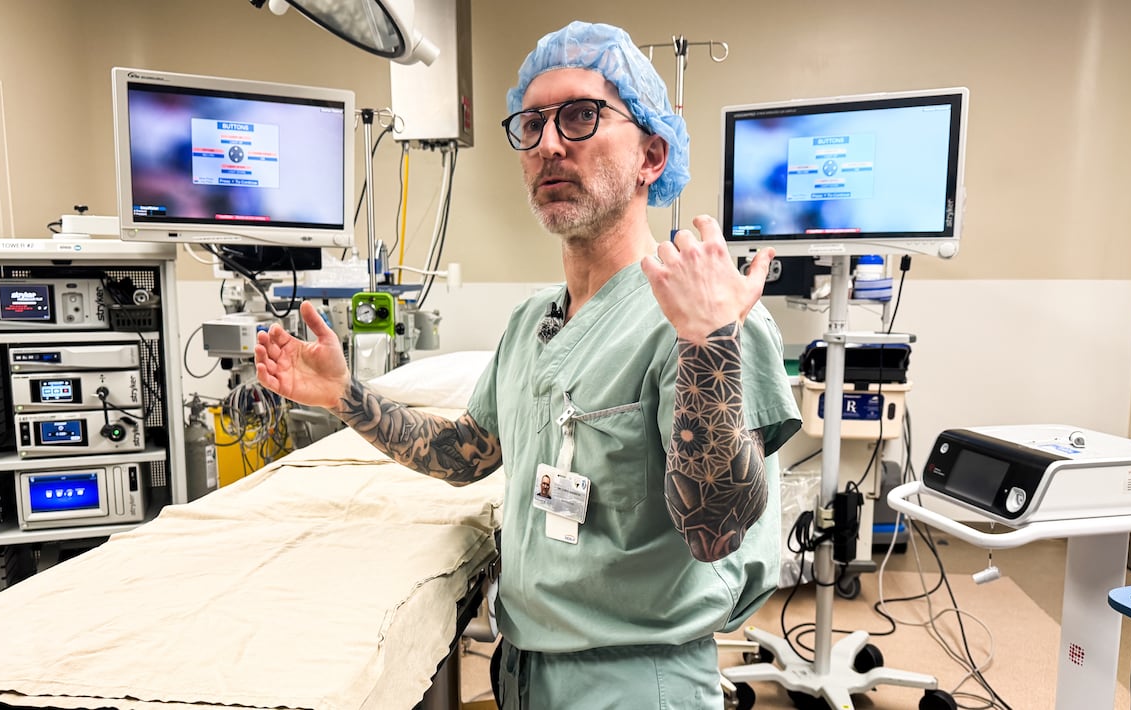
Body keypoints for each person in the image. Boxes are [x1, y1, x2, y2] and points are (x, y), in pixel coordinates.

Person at [255, 20, 801, 709]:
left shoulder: (702, 317)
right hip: (523, 672)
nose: (548, 144)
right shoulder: (531, 323)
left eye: (581, 116)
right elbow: (465, 453)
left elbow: (716, 527)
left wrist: (707, 344)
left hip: (634, 681)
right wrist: (345, 395)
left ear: (652, 156)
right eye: (532, 123)